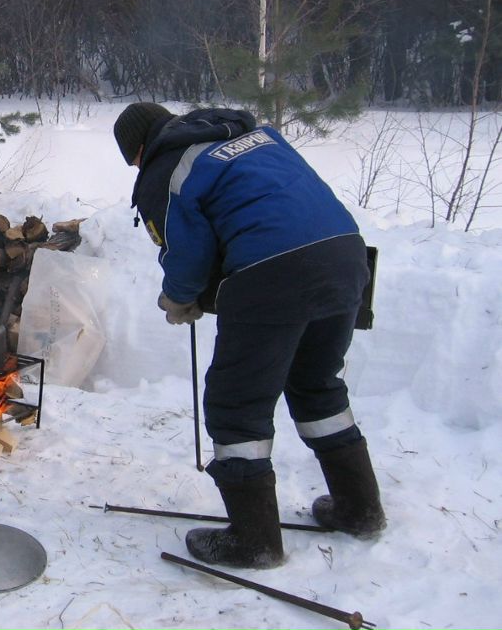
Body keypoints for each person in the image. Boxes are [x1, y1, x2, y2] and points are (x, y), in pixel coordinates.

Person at [114, 102, 385, 569]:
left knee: (236, 404)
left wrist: (179, 298)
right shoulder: (253, 137)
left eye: (133, 160)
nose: (138, 167)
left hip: (274, 272)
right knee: (317, 385)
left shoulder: (169, 168)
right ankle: (360, 509)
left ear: (139, 149)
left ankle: (254, 541)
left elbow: (187, 250)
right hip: (345, 257)